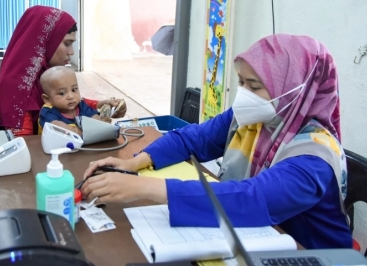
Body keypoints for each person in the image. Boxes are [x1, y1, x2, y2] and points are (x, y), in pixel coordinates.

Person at [81, 34, 352, 249]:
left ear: (295, 89)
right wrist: (135, 163)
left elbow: (251, 199)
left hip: (309, 252)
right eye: (241, 82)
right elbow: (194, 138)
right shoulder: (255, 118)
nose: (244, 94)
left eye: (254, 86)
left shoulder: (313, 157)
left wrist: (142, 187)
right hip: (261, 238)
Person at [0, 5, 126, 136]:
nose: (71, 52)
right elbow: (27, 145)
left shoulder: (42, 74)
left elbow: (62, 99)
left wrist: (100, 105)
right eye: (67, 44)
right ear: (45, 41)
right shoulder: (17, 89)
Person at [38, 66, 111, 135]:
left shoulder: (81, 105)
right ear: (47, 99)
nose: (71, 96)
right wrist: (76, 130)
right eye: (62, 93)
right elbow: (56, 126)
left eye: (74, 90)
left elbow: (93, 116)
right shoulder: (47, 112)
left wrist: (100, 122)